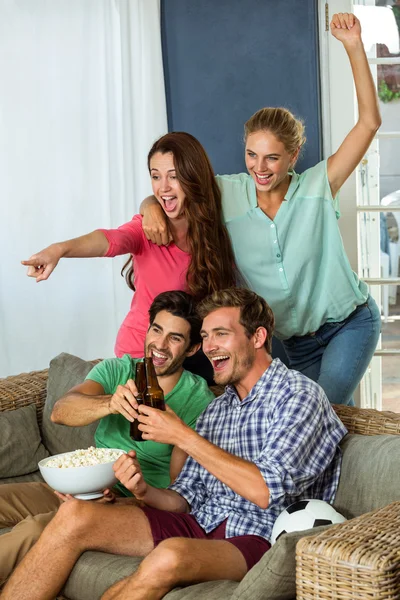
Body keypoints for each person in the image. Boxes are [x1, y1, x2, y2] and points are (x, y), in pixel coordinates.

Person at [1, 288, 347, 600]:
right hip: (200, 522)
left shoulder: (298, 395)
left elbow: (266, 491)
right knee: (74, 513)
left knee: (170, 556)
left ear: (257, 337)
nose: (210, 346)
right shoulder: (218, 410)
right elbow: (183, 501)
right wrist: (141, 490)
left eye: (221, 335)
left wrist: (181, 434)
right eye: (207, 336)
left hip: (256, 537)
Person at [141, 13, 382, 406]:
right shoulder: (228, 193)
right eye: (252, 155)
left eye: (272, 158)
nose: (260, 167)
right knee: (331, 424)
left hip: (349, 326)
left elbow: (370, 123)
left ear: (294, 156)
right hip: (290, 345)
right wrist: (150, 203)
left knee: (315, 410)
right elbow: (174, 189)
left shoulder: (320, 186)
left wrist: (353, 46)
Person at [0, 290, 214, 587]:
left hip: (129, 505)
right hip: (78, 486)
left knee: (33, 529)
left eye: (175, 338)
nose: (160, 345)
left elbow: (179, 491)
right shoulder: (118, 369)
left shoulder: (196, 399)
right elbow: (61, 411)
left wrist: (128, 496)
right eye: (157, 330)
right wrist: (110, 403)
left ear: (192, 349)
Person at [21, 132, 237, 383]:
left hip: (190, 354)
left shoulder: (216, 231)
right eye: (156, 176)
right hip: (143, 355)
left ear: (194, 178)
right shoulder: (147, 230)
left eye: (174, 176)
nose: (163, 187)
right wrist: (59, 250)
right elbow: (110, 240)